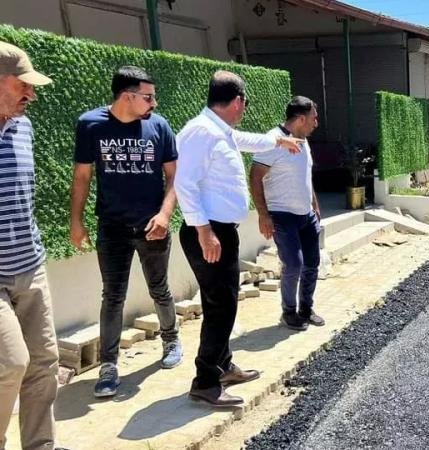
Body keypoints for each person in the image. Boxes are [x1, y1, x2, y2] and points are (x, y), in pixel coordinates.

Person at [175, 70, 303, 407]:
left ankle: (223, 366)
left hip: (219, 232)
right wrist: (204, 232)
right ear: (237, 101)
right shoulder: (201, 132)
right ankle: (205, 382)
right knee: (221, 306)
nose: (244, 109)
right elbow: (184, 184)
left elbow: (246, 140)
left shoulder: (219, 130)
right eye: (245, 104)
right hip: (209, 233)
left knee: (221, 302)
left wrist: (279, 141)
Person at [70, 66, 183, 398]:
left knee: (159, 289)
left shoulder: (159, 126)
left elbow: (175, 176)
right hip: (112, 227)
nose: (154, 103)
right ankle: (108, 366)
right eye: (148, 97)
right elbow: (82, 176)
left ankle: (171, 340)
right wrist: (75, 221)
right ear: (127, 96)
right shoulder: (90, 124)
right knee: (113, 296)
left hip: (152, 226)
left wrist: (164, 215)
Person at [0, 41, 59, 450]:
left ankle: (40, 445)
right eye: (23, 85)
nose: (31, 95)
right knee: (11, 363)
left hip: (30, 265)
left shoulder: (24, 127)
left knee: (43, 363)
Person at [250, 96, 324, 331]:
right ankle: (289, 312)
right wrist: (263, 215)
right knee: (293, 264)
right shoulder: (273, 140)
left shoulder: (303, 141)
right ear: (301, 119)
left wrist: (314, 204)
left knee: (312, 263)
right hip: (282, 215)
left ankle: (306, 309)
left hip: (306, 215)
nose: (316, 123)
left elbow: (305, 175)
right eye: (313, 118)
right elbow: (255, 177)